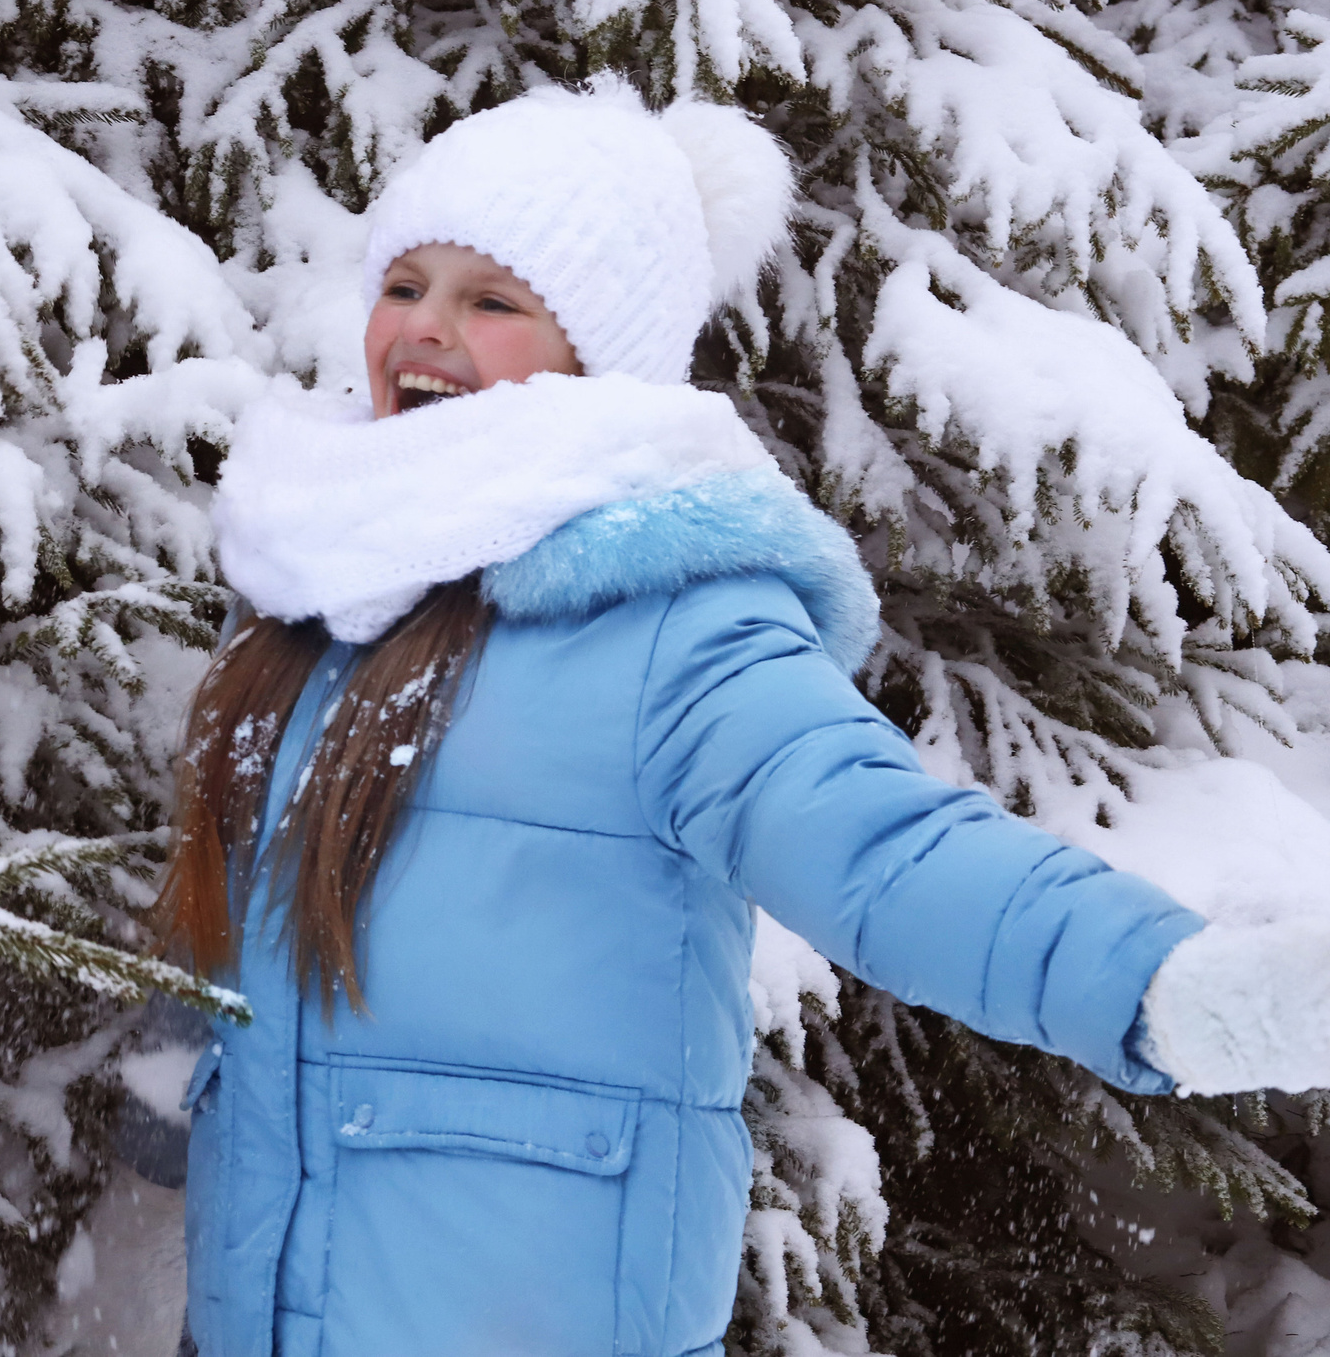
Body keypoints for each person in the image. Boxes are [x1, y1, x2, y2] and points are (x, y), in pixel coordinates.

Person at [158, 82, 1330, 1357]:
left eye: (490, 301)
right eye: (406, 285)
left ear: (593, 353)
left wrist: (1169, 988)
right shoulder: (314, 581)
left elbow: (888, 852)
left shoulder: (671, 619)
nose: (425, 329)